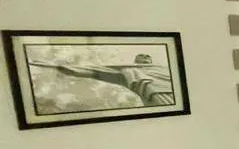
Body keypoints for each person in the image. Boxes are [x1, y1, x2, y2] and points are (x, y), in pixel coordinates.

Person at [29, 52, 175, 107]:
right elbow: (94, 71)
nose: (144, 58)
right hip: (157, 95)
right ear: (135, 60)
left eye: (146, 57)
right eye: (140, 57)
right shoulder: (128, 70)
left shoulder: (164, 68)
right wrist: (56, 66)